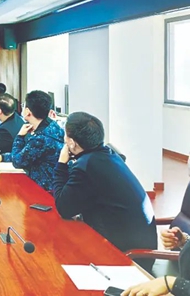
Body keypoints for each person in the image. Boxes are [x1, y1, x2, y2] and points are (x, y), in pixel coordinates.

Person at [52, 112, 157, 270]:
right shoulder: (108, 154)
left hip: (127, 256)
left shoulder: (86, 166)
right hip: (140, 245)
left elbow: (63, 207)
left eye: (66, 136)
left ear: (72, 143)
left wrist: (61, 163)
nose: (64, 140)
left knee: (61, 249)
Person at [0, 90, 63, 191]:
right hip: (53, 185)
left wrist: (20, 136)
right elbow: (26, 154)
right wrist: (2, 157)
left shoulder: (40, 138)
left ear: (27, 111)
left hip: (42, 189)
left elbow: (18, 161)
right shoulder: (53, 126)